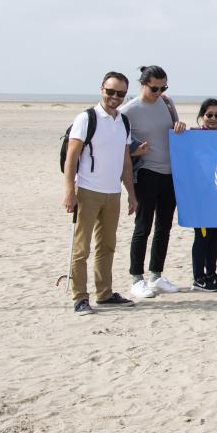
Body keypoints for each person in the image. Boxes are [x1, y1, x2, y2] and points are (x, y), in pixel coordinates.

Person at [62, 72, 139, 314]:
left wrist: (131, 193)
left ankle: (104, 294)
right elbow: (71, 157)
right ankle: (80, 297)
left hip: (112, 193)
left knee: (107, 246)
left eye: (120, 93)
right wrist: (69, 191)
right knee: (81, 248)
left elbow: (125, 161)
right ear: (102, 89)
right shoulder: (87, 118)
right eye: (110, 92)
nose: (115, 97)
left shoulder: (123, 122)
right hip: (87, 190)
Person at [121, 64, 187, 299]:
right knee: (143, 227)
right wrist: (135, 149)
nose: (159, 92)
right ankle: (136, 278)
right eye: (154, 88)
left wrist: (180, 126)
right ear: (143, 84)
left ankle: (156, 275)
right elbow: (120, 145)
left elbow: (174, 130)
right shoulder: (128, 111)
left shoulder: (167, 103)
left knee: (164, 227)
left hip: (170, 173)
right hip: (147, 173)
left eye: (163, 87)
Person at [190, 99, 217, 292]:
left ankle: (211, 273)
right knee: (202, 237)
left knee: (215, 236)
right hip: (200, 199)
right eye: (209, 115)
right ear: (202, 117)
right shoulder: (193, 137)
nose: (213, 119)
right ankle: (198, 277)